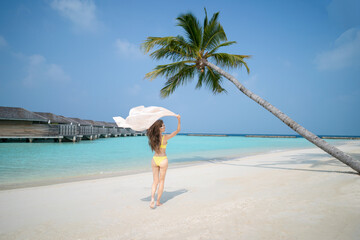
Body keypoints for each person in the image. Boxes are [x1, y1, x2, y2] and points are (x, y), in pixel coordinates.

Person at [147, 115, 181, 208]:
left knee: (155, 182)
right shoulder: (165, 137)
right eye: (162, 126)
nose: (164, 126)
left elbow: (149, 128)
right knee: (161, 181)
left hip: (154, 160)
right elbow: (177, 131)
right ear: (159, 128)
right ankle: (157, 202)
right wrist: (178, 120)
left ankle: (152, 199)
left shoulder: (152, 137)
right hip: (163, 160)